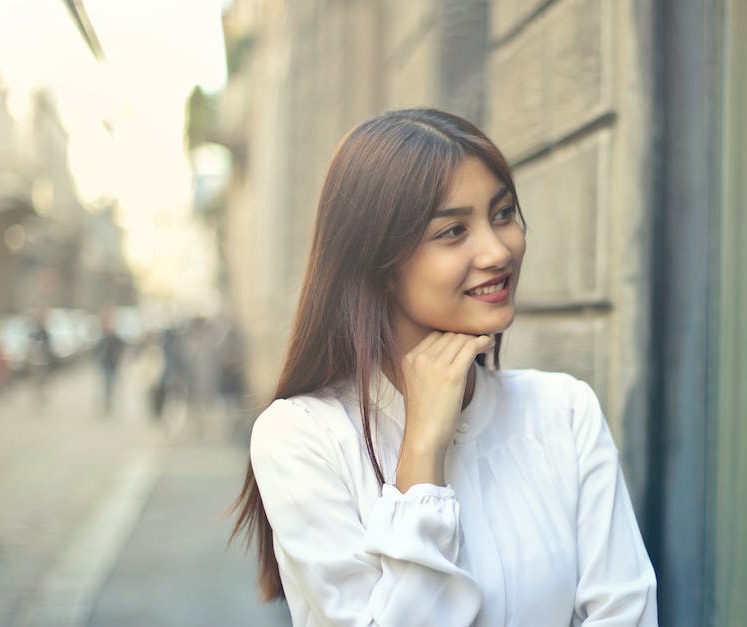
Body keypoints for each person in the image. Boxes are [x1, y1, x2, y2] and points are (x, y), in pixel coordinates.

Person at [230, 108, 657, 626]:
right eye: (454, 231)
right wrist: (421, 459)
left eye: (502, 214)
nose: (498, 250)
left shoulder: (564, 410)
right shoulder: (302, 439)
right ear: (379, 265)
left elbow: (625, 612)